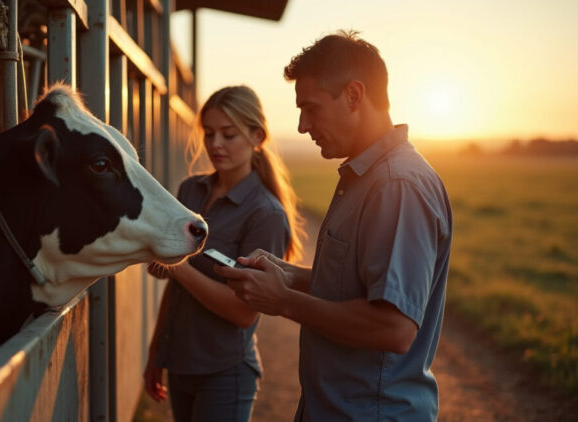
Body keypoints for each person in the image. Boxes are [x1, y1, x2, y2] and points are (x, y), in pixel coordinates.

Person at [214, 31, 453, 421]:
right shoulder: (365, 176)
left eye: (310, 108)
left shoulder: (397, 186)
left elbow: (393, 328)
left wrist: (283, 301)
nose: (303, 125)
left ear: (354, 95)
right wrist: (287, 274)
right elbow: (354, 284)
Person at [144, 85, 305, 422]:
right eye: (210, 133)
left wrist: (175, 265)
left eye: (228, 134)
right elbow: (176, 291)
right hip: (180, 365)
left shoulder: (266, 213)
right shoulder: (190, 189)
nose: (215, 144)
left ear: (256, 136)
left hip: (224, 374)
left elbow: (244, 312)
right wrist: (157, 350)